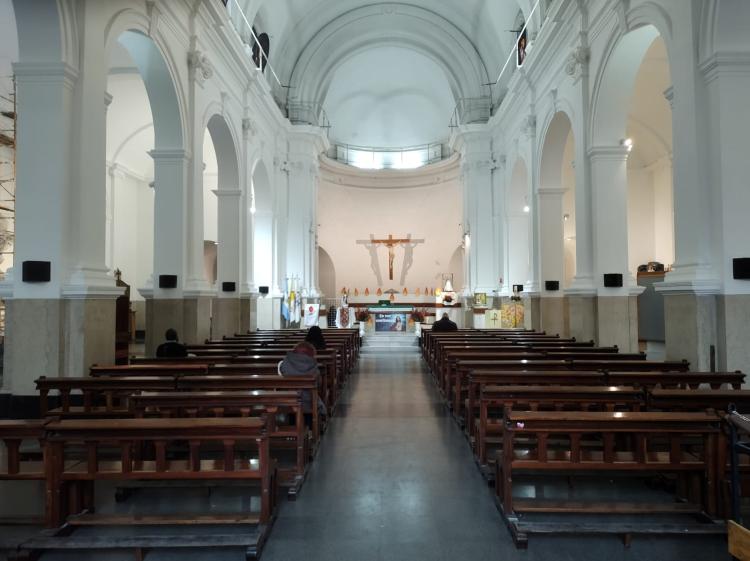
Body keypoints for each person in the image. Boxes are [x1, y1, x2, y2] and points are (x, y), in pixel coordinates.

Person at [279, 342, 327, 423]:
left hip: (288, 402)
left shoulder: (284, 364)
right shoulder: (313, 366)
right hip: (309, 403)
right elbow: (318, 384)